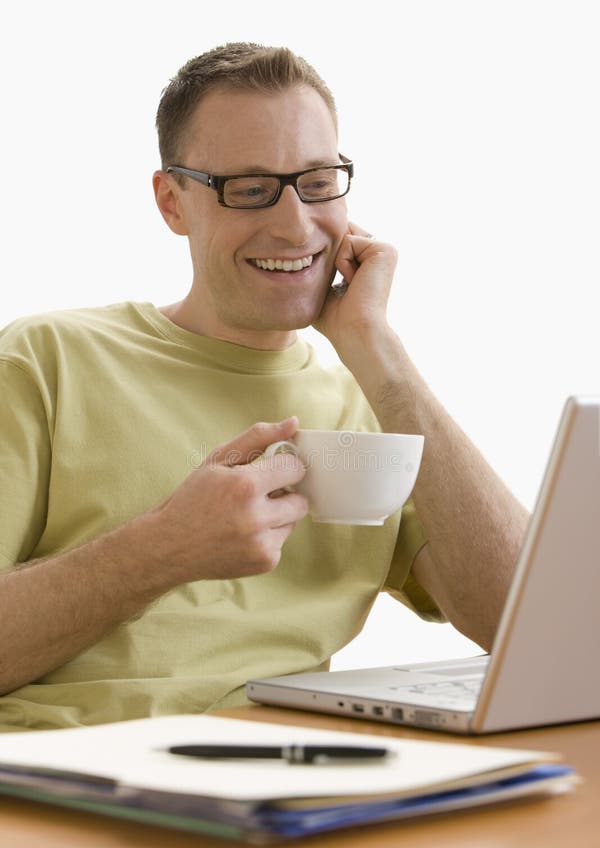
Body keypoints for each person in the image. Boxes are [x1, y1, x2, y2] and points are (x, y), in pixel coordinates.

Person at [0, 43, 528, 732]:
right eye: (249, 189)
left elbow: (530, 627)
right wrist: (163, 548)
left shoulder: (371, 404)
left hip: (294, 777)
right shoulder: (45, 361)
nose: (294, 224)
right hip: (71, 775)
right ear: (172, 202)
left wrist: (380, 354)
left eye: (317, 182)